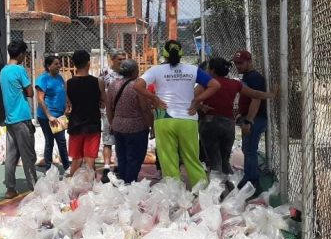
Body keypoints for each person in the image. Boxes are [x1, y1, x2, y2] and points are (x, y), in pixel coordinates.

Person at [133, 39, 221, 188]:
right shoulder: (192, 69)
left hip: (164, 119)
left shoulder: (156, 70)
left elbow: (137, 85)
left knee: (168, 159)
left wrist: (154, 98)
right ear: (181, 53)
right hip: (188, 118)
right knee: (192, 158)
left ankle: (174, 194)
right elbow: (215, 85)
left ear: (164, 54)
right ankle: (202, 194)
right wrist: (197, 100)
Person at [198, 57, 276, 186]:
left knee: (214, 160)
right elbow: (255, 94)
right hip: (228, 125)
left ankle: (218, 190)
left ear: (211, 70)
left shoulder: (207, 82)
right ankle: (230, 185)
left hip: (209, 123)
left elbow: (193, 97)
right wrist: (270, 95)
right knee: (225, 158)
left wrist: (200, 106)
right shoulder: (235, 84)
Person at [0, 40, 37, 199]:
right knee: (28, 156)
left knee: (11, 156)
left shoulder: (4, 71)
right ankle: (35, 188)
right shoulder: (19, 70)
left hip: (10, 120)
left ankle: (10, 188)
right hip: (22, 118)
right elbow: (30, 92)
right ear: (21, 54)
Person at [107, 59, 153, 184]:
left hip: (118, 126)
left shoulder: (113, 85)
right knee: (135, 157)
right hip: (136, 127)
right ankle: (130, 183)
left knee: (122, 157)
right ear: (135, 72)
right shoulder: (138, 86)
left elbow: (108, 108)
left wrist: (112, 123)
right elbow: (145, 109)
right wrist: (151, 125)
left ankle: (123, 181)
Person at [232, 50, 270, 193]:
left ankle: (252, 181)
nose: (238, 66)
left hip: (256, 118)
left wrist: (249, 121)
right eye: (236, 63)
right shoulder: (248, 76)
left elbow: (256, 99)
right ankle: (250, 178)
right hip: (250, 117)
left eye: (240, 63)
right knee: (247, 149)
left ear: (249, 61)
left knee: (250, 150)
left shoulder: (254, 77)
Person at [65, 50, 106, 177]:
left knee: (76, 160)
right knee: (90, 160)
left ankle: (72, 187)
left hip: (75, 125)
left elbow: (68, 105)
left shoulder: (68, 83)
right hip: (92, 124)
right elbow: (103, 103)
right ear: (88, 63)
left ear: (74, 64)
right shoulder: (98, 82)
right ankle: (91, 189)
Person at [35, 55, 71, 174]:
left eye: (59, 63)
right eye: (56, 64)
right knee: (51, 141)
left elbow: (64, 93)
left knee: (61, 141)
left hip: (59, 116)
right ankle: (50, 168)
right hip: (47, 117)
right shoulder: (43, 79)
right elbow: (40, 100)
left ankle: (65, 166)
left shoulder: (60, 78)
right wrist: (49, 116)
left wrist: (67, 105)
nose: (59, 66)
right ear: (48, 66)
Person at [100, 49, 126, 182]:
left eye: (123, 59)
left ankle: (118, 165)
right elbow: (100, 88)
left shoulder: (126, 73)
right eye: (119, 59)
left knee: (121, 139)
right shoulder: (105, 72)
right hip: (108, 111)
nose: (122, 62)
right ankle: (106, 167)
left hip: (123, 111)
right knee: (108, 140)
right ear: (112, 59)